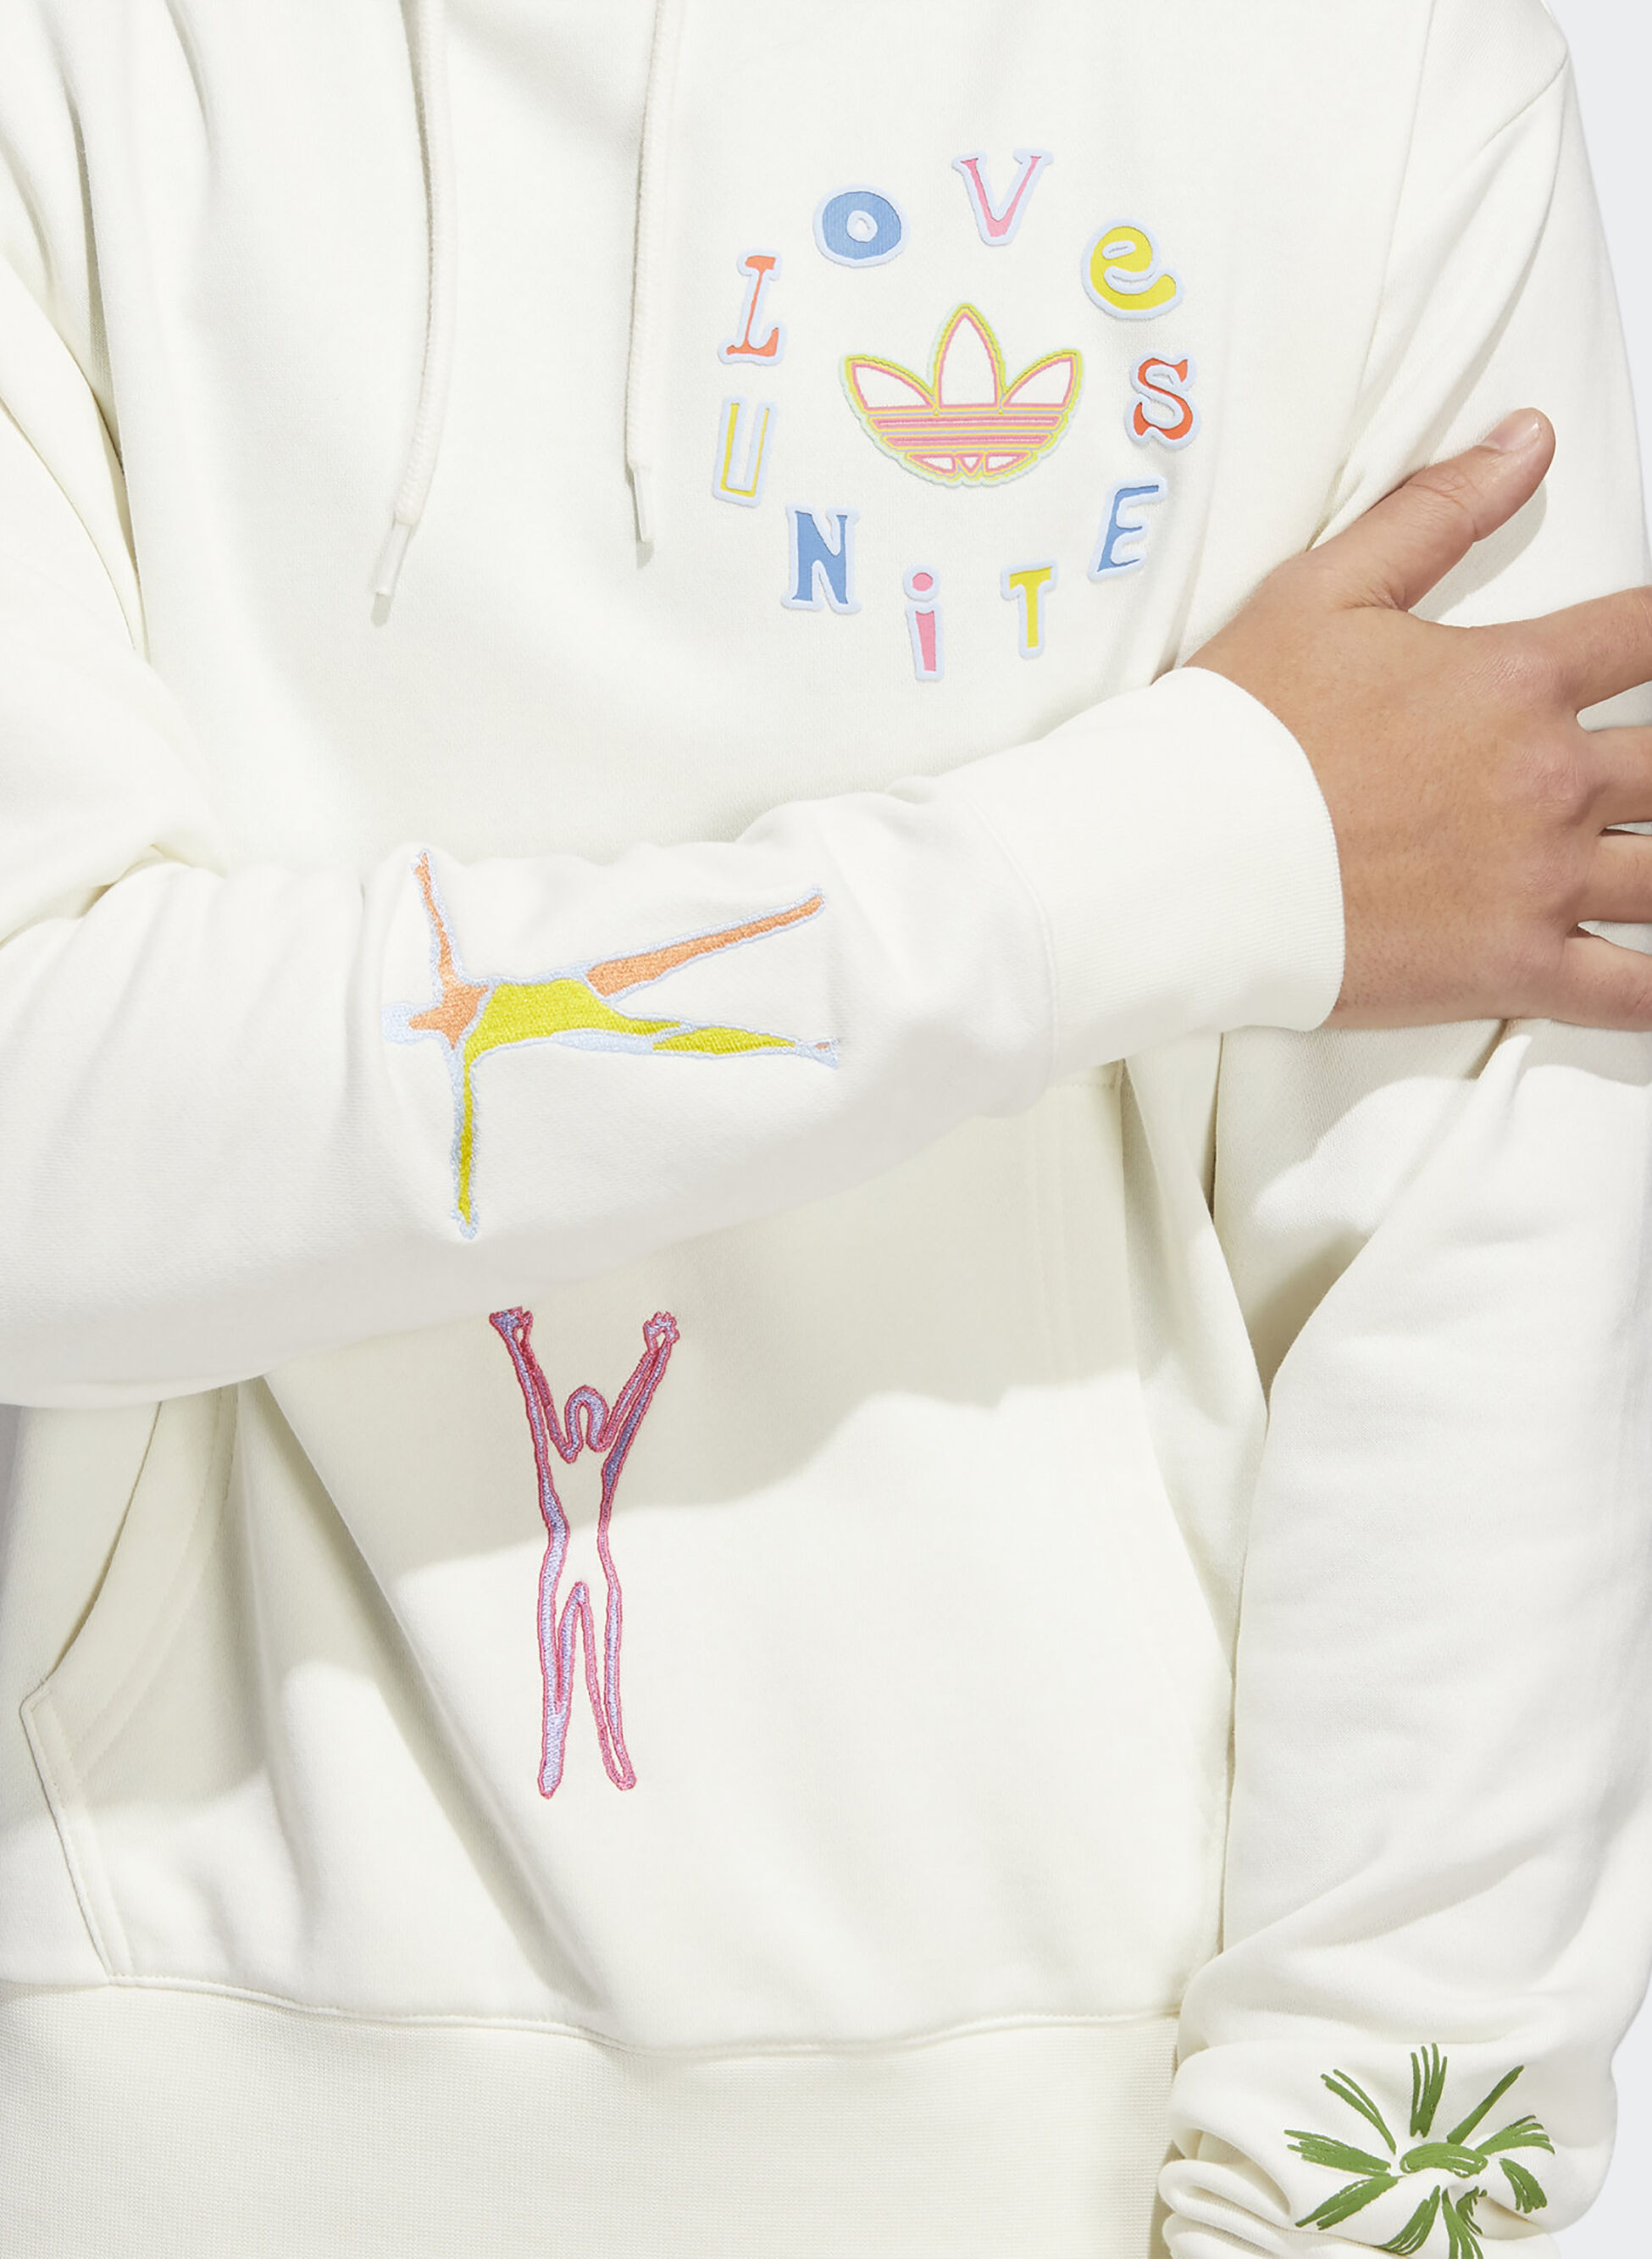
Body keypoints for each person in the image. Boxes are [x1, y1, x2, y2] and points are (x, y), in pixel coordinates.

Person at [0, 0, 1648, 2251]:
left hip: (1094, 2142)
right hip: (141, 2127)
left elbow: (1490, 1262)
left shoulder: (1378, 61)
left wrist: (1361, 2215)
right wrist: (1157, 862)